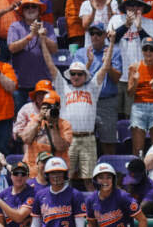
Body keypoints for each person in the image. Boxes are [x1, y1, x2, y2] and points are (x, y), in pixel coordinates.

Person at [42, 37, 114, 189]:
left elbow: (104, 68)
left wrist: (112, 42)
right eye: (73, 73)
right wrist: (42, 40)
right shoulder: (63, 88)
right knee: (66, 178)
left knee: (90, 180)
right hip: (68, 139)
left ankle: (95, 210)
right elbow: (49, 65)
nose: (75, 76)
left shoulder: (92, 88)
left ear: (85, 76)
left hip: (88, 138)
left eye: (79, 74)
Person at [75, 22, 123, 155]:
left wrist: (107, 65)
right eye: (92, 33)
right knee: (82, 142)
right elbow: (75, 79)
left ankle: (109, 173)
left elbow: (116, 78)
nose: (95, 36)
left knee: (108, 143)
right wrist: (89, 63)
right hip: (85, 101)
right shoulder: (81, 53)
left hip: (107, 102)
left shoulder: (113, 52)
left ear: (105, 36)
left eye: (99, 33)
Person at [9, 0, 57, 111]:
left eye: (33, 6)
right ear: (22, 10)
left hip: (43, 83)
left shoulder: (47, 26)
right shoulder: (15, 27)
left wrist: (43, 37)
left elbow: (54, 49)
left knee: (46, 117)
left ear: (39, 10)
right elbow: (12, 48)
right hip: (21, 85)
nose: (30, 9)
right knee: (20, 120)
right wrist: (31, 35)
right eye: (27, 7)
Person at [127, 37, 153, 156]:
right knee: (138, 148)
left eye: (151, 49)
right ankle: (138, 172)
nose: (148, 52)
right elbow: (130, 93)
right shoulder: (134, 67)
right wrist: (135, 82)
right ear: (142, 50)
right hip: (139, 107)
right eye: (146, 49)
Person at [21, 89, 73, 172]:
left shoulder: (65, 124)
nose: (49, 110)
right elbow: (26, 139)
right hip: (34, 168)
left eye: (51, 106)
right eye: (45, 106)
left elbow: (60, 147)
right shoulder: (35, 120)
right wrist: (39, 119)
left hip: (56, 169)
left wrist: (53, 125)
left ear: (58, 107)